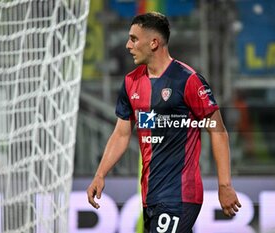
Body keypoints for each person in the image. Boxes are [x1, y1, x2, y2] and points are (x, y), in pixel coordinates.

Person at [87, 12, 241, 232]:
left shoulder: (188, 80)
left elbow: (218, 131)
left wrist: (224, 185)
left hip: (180, 196)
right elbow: (121, 134)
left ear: (154, 43)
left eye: (133, 39)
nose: (127, 45)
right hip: (151, 197)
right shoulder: (131, 82)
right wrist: (100, 175)